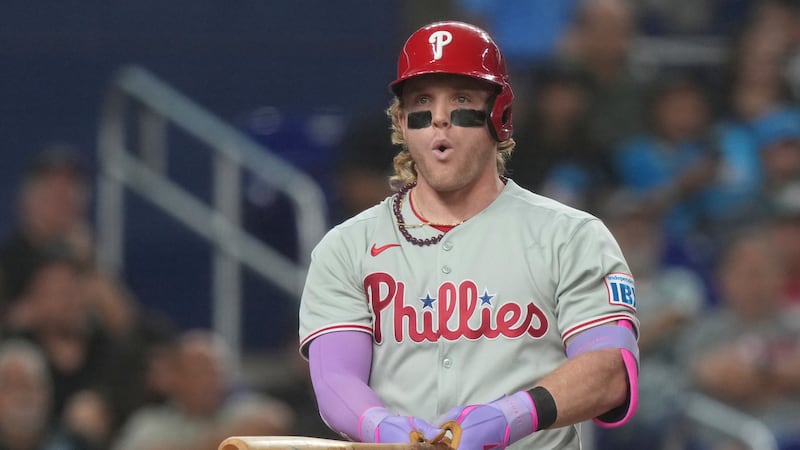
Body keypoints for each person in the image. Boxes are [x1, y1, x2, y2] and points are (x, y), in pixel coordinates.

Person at [298, 21, 639, 450]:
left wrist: (510, 416)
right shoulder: (347, 247)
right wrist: (384, 427)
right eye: (422, 102)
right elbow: (335, 379)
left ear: (501, 116)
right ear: (402, 122)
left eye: (461, 99)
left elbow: (610, 372)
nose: (440, 118)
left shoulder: (571, 237)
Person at [112, 330, 294, 450]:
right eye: (200, 373)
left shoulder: (242, 410)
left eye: (215, 372)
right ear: (176, 377)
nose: (210, 381)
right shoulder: (150, 423)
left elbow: (275, 421)